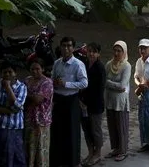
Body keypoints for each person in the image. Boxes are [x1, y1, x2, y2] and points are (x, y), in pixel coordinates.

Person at [50, 36, 88, 167]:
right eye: (64, 46)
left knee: (71, 131)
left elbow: (84, 83)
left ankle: (72, 161)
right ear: (60, 47)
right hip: (58, 99)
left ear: (73, 48)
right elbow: (52, 78)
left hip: (71, 100)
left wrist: (67, 84)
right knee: (57, 130)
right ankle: (57, 160)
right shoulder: (57, 63)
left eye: (69, 46)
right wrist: (54, 83)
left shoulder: (78, 64)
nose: (66, 48)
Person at [0, 61, 27, 167]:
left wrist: (8, 88)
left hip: (14, 127)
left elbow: (17, 106)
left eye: (10, 72)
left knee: (15, 156)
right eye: (5, 72)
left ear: (15, 73)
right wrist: (9, 110)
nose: (7, 75)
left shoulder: (21, 87)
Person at [104, 41, 131, 162]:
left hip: (121, 102)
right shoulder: (108, 64)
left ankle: (123, 150)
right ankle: (115, 148)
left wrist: (109, 83)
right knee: (112, 125)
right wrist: (113, 85)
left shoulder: (127, 66)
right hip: (110, 99)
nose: (116, 53)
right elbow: (104, 81)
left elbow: (123, 85)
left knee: (121, 126)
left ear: (124, 52)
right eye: (115, 50)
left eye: (119, 51)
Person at [80, 43, 106, 166]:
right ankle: (90, 152)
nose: (91, 54)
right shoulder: (83, 64)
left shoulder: (100, 68)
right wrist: (81, 101)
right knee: (86, 129)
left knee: (95, 130)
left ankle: (98, 154)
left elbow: (99, 90)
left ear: (98, 54)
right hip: (83, 104)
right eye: (89, 51)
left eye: (94, 52)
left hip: (95, 105)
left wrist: (86, 102)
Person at [24, 60, 53, 167]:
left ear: (43, 69)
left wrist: (26, 95)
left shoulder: (47, 82)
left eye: (37, 69)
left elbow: (38, 100)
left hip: (41, 121)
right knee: (28, 149)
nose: (35, 71)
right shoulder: (27, 80)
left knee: (41, 150)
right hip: (28, 119)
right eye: (32, 69)